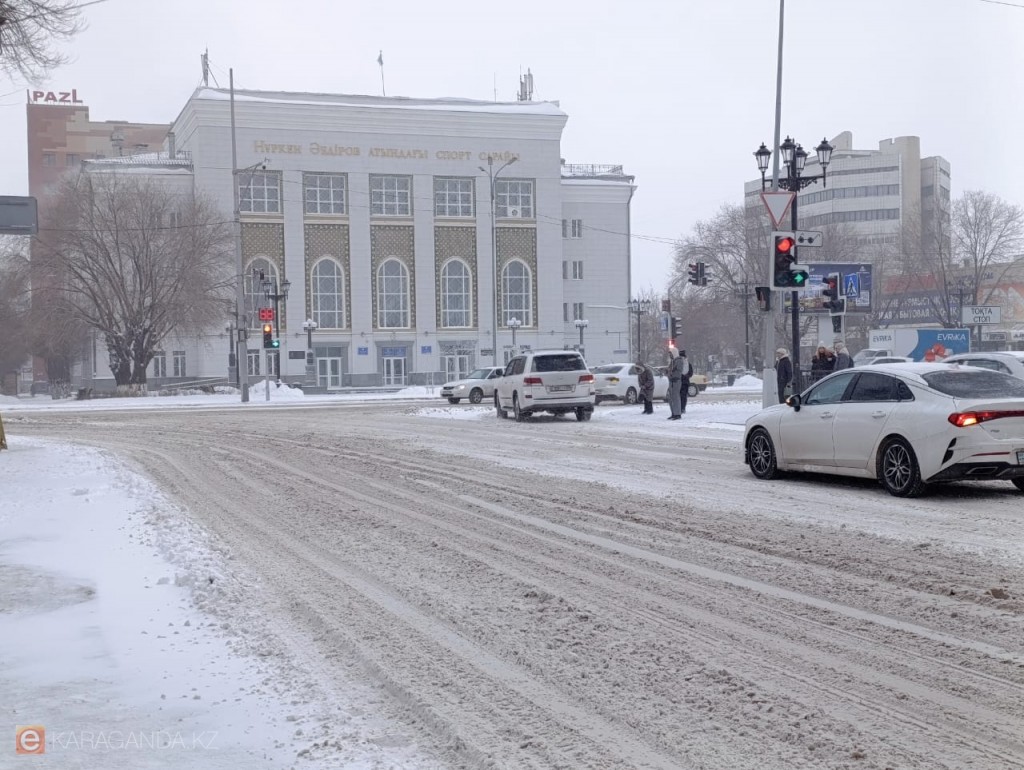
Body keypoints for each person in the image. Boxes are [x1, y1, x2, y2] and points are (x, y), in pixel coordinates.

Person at [667, 347, 688, 420]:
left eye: (671, 354)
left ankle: (677, 413)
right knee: (671, 398)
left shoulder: (678, 361)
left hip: (676, 381)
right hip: (672, 381)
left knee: (675, 397)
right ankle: (673, 413)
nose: (670, 355)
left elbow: (678, 370)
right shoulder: (673, 361)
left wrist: (672, 373)